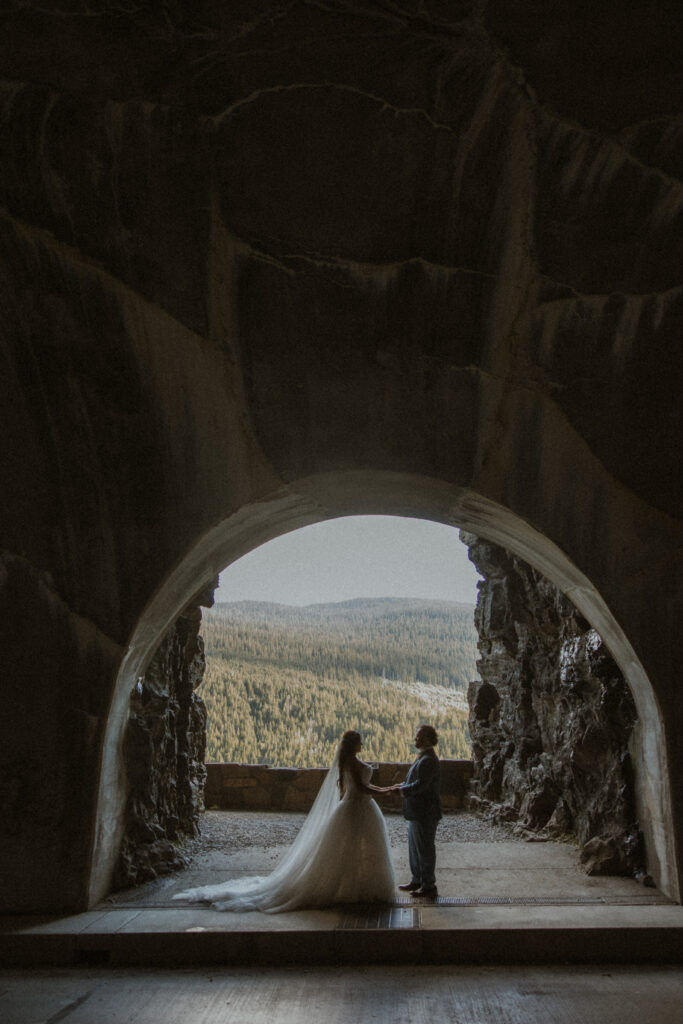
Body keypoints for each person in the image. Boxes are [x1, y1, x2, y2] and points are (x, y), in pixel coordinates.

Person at [173, 729, 396, 912]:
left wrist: (385, 789)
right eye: (359, 741)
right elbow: (362, 787)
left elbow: (359, 787)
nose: (362, 744)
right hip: (357, 807)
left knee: (348, 849)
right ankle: (355, 887)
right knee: (355, 848)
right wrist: (386, 790)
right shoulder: (353, 763)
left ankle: (350, 886)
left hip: (356, 806)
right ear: (353, 744)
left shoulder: (347, 761)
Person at [390, 724, 442, 899]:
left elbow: (421, 785)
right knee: (415, 848)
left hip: (425, 811)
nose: (415, 738)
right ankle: (417, 880)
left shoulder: (428, 760)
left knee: (425, 849)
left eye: (418, 736)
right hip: (418, 811)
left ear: (426, 738)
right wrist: (401, 786)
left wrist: (402, 790)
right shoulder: (425, 757)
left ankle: (428, 885)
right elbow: (416, 781)